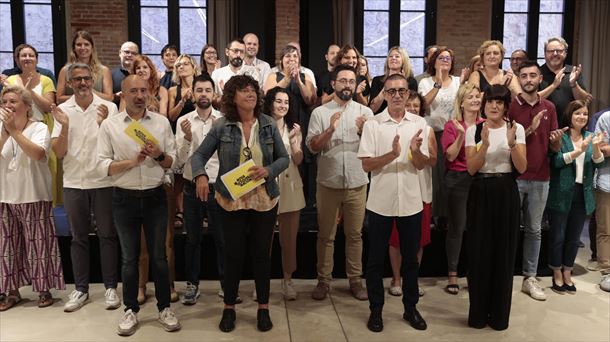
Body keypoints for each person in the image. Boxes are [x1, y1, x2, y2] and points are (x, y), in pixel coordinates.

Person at [191, 75, 289, 332]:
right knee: (233, 254)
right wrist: (200, 175)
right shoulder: (222, 126)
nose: (251, 94)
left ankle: (263, 307)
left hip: (264, 199)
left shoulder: (267, 124)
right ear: (232, 97)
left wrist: (268, 170)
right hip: (230, 200)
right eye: (244, 91)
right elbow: (199, 156)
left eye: (253, 90)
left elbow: (284, 159)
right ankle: (229, 308)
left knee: (261, 255)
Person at [97, 75, 180, 336]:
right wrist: (131, 163)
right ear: (123, 94)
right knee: (130, 258)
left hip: (155, 196)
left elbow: (174, 162)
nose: (139, 95)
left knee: (159, 256)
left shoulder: (161, 122)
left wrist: (159, 155)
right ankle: (130, 310)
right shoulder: (110, 126)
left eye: (144, 90)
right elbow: (102, 166)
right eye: (133, 90)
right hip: (124, 196)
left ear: (150, 93)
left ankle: (165, 308)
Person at [358, 74, 430, 332]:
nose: (397, 95)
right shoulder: (373, 125)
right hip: (380, 202)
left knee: (411, 260)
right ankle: (376, 310)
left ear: (409, 93)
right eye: (392, 91)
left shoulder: (420, 123)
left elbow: (422, 164)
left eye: (402, 91)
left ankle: (411, 308)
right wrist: (392, 154)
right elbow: (366, 164)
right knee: (376, 260)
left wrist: (415, 151)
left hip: (411, 202)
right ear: (385, 94)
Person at [50, 63, 120, 312]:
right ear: (69, 83)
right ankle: (80, 290)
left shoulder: (109, 108)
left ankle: (111, 287)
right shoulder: (62, 110)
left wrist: (103, 124)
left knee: (107, 236)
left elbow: (116, 147)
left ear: (93, 80)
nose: (82, 83)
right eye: (77, 79)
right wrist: (65, 125)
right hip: (74, 182)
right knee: (78, 238)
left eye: (86, 78)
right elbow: (58, 152)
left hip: (102, 180)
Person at [306, 64, 373, 301]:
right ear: (333, 84)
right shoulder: (320, 113)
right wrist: (330, 130)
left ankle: (355, 280)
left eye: (351, 81)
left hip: (357, 181)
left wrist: (366, 132)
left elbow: (374, 149)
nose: (347, 85)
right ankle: (323, 281)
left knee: (355, 235)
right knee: (326, 235)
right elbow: (312, 147)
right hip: (328, 182)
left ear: (356, 85)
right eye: (342, 80)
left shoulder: (366, 113)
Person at [465, 84, 527, 330]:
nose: (494, 106)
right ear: (484, 104)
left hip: (506, 191)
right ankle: (478, 316)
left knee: (504, 253)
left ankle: (499, 317)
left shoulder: (516, 129)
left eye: (499, 102)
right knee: (479, 253)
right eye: (490, 101)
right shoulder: (475, 130)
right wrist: (486, 145)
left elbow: (522, 168)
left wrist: (511, 144)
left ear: (505, 106)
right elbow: (471, 168)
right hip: (480, 190)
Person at [0, 85, 65, 311]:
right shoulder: (0, 128)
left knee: (39, 245)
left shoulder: (38, 128)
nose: (8, 105)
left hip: (34, 194)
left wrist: (14, 133)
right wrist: (4, 132)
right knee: (7, 246)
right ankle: (11, 291)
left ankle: (43, 289)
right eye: (5, 101)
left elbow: (38, 154)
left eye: (13, 101)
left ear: (27, 107)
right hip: (5, 195)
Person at [507, 60, 564, 301]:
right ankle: (504, 274)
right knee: (509, 229)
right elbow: (507, 143)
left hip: (541, 177)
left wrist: (555, 141)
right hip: (515, 177)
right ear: (518, 80)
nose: (529, 79)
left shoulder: (549, 107)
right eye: (524, 76)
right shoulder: (510, 107)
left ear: (541, 79)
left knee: (534, 230)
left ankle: (529, 277)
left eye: (533, 75)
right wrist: (530, 129)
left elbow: (554, 147)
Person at [546, 100, 605, 294]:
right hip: (560, 192)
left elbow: (597, 161)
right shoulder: (561, 137)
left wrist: (595, 147)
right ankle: (556, 272)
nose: (582, 117)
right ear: (569, 116)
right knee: (558, 236)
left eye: (585, 114)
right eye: (577, 113)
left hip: (583, 193)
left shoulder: (590, 136)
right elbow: (555, 162)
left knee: (573, 238)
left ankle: (568, 272)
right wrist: (578, 151)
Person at [175, 74, 224, 305]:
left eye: (207, 90)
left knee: (222, 239)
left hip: (218, 187)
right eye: (199, 90)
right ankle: (192, 285)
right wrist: (186, 138)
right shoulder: (183, 121)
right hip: (191, 186)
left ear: (213, 94)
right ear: (192, 94)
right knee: (192, 239)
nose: (203, 94)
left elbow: (228, 158)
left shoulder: (223, 120)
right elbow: (179, 161)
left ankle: (226, 283)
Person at [387, 91, 436, 298]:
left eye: (416, 106)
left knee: (418, 240)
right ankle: (396, 278)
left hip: (421, 190)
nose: (413, 109)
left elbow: (433, 160)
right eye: (409, 105)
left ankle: (412, 279)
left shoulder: (427, 129)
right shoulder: (392, 128)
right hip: (398, 189)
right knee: (396, 239)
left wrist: (419, 154)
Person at [440, 83, 484, 294]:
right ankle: (452, 273)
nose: (475, 100)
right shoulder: (452, 125)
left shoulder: (486, 124)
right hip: (457, 180)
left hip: (480, 180)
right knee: (457, 228)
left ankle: (476, 271)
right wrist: (460, 135)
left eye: (477, 96)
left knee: (478, 229)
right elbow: (449, 155)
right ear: (462, 102)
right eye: (470, 97)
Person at [5, 44, 60, 206]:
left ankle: (44, 207)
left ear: (37, 59)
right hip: (15, 130)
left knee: (44, 172)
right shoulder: (10, 81)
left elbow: (48, 107)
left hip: (41, 129)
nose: (27, 58)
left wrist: (30, 92)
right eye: (23, 55)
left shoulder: (46, 79)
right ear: (17, 59)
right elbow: (7, 105)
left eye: (31, 55)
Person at [264, 86, 305, 300]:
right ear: (270, 103)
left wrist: (295, 141)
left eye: (286, 102)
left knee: (289, 240)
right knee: (264, 240)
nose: (283, 105)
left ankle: (288, 281)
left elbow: (298, 160)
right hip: (266, 189)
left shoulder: (294, 128)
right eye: (279, 101)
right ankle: (261, 282)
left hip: (290, 188)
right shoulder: (260, 126)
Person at [418, 47, 461, 227]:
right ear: (433, 61)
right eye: (441, 58)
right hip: (431, 133)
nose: (445, 61)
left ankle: (448, 216)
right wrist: (438, 82)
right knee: (433, 177)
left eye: (448, 58)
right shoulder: (425, 82)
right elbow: (423, 105)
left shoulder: (458, 81)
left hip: (451, 134)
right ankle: (432, 216)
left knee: (448, 176)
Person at [538, 37, 592, 123]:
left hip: (571, 127)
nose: (555, 54)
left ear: (565, 53)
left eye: (559, 51)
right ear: (545, 54)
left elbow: (584, 102)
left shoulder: (574, 72)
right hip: (543, 125)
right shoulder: (537, 73)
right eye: (551, 51)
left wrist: (574, 84)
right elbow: (531, 100)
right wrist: (553, 86)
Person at [57, 30, 113, 103]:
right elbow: (59, 99)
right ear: (74, 48)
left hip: (97, 111)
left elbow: (109, 98)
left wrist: (89, 90)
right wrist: (79, 95)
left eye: (86, 44)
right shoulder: (65, 70)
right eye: (79, 44)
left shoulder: (104, 70)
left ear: (92, 47)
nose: (83, 48)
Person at [369, 46, 418, 114]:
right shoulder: (377, 80)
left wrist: (403, 84)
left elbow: (410, 107)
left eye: (397, 56)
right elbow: (373, 108)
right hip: (381, 120)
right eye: (390, 56)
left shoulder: (411, 82)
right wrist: (388, 84)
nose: (393, 58)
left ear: (403, 61)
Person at [593, 109, 610, 291]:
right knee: (606, 229)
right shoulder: (606, 118)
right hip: (607, 182)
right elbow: (601, 148)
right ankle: (607, 272)